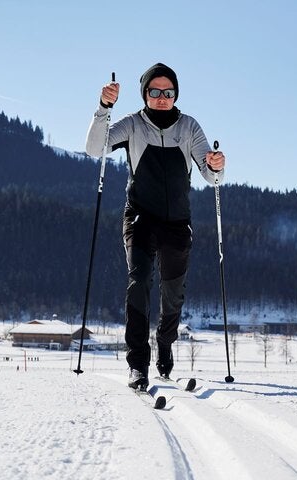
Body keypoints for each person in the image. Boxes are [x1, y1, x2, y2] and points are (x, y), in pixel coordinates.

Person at [85, 63, 225, 390]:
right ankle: (137, 365)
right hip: (140, 219)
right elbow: (95, 148)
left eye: (168, 92)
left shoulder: (189, 127)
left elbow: (210, 173)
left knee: (173, 294)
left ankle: (165, 340)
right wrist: (104, 108)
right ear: (145, 93)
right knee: (138, 284)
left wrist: (217, 164)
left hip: (177, 223)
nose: (162, 97)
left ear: (175, 94)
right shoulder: (133, 125)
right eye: (155, 92)